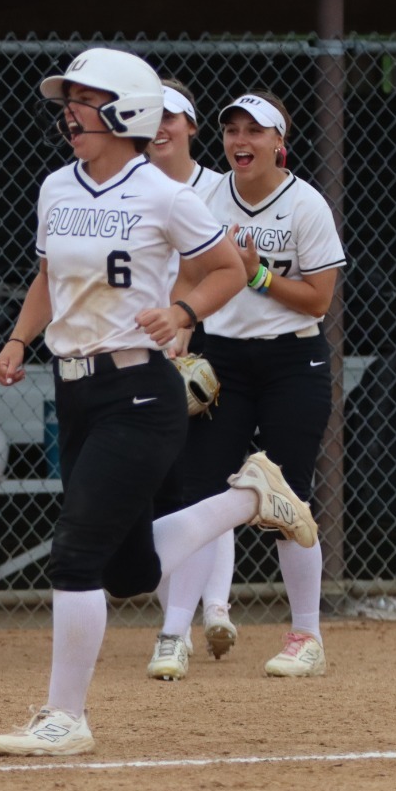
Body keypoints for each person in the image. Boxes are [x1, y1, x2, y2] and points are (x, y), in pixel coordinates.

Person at [0, 49, 315, 757]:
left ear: (127, 109)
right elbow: (48, 275)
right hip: (73, 388)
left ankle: (65, 715)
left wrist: (185, 310)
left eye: (84, 98)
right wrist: (19, 338)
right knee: (128, 571)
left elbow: (227, 269)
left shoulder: (165, 193)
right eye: (66, 99)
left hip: (140, 391)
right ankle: (250, 496)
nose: (69, 112)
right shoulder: (56, 188)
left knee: (74, 552)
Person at [157, 91, 347, 680]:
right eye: (233, 131)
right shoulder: (207, 198)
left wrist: (257, 273)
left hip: (295, 363)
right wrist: (182, 327)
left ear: (278, 144)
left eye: (255, 132)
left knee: (286, 497)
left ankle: (306, 636)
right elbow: (190, 274)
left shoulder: (306, 204)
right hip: (227, 361)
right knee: (199, 488)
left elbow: (319, 298)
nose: (241, 141)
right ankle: (173, 633)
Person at [141, 78, 241, 660]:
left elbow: (207, 270)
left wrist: (185, 331)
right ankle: (181, 609)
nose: (161, 127)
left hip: (206, 344)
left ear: (191, 125)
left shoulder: (215, 190)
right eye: (152, 115)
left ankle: (216, 608)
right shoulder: (132, 185)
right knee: (160, 490)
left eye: (171, 116)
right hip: (154, 346)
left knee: (206, 484)